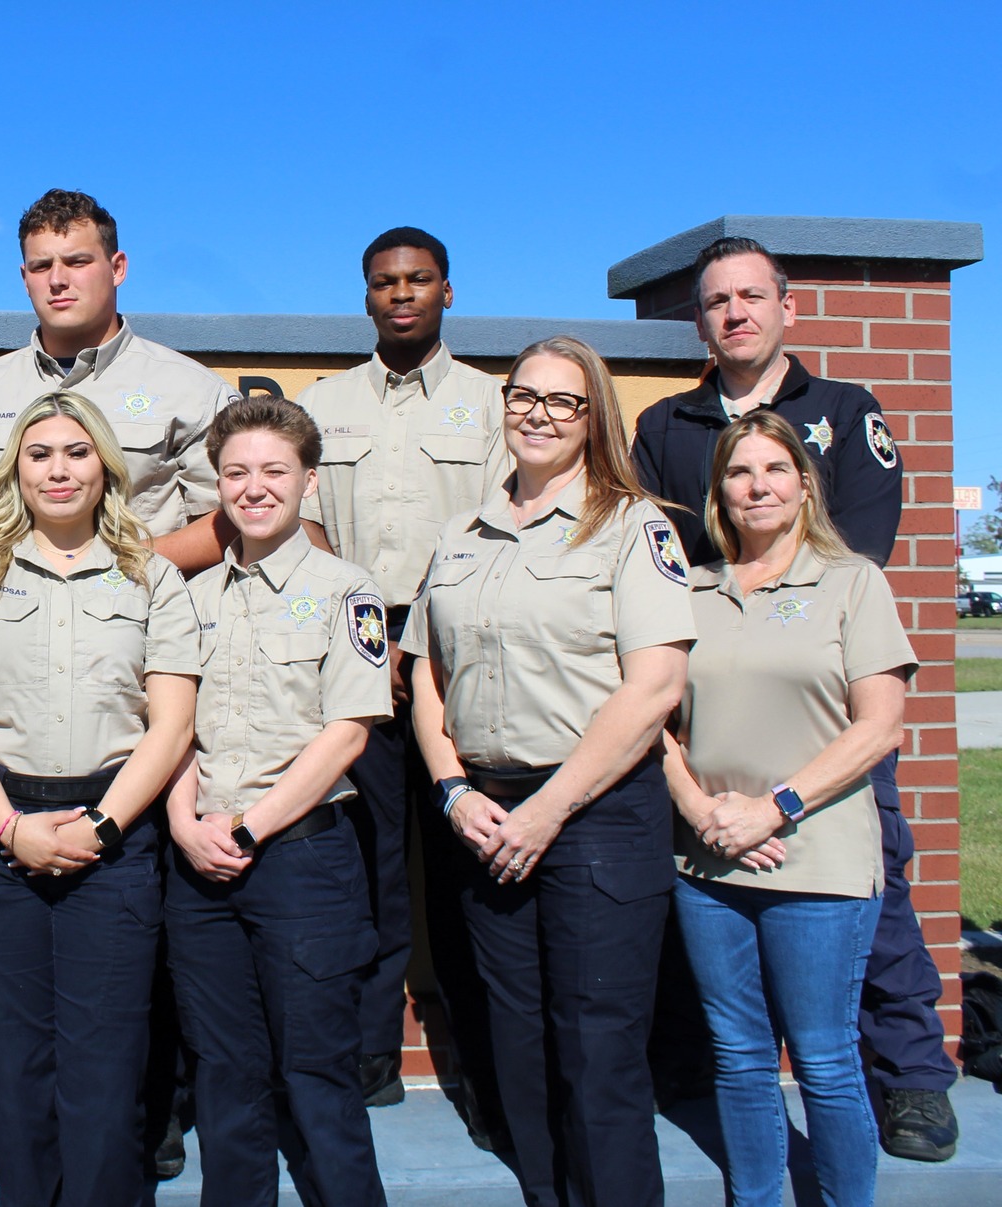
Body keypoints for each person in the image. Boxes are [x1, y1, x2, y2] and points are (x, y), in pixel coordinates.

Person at [631, 236, 957, 1160]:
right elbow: (659, 560)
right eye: (717, 301)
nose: (735, 312)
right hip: (714, 695)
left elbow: (857, 550)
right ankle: (700, 1063)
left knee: (876, 897)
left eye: (751, 296)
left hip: (817, 694)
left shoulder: (845, 413)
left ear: (787, 306)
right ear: (698, 319)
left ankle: (910, 1078)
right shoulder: (668, 427)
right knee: (698, 888)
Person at [401, 335, 695, 1207]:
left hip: (595, 817)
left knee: (596, 1050)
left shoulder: (631, 527)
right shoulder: (463, 533)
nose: (537, 413)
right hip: (486, 816)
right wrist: (453, 790)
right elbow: (426, 675)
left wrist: (548, 811)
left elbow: (655, 687)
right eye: (523, 395)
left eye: (562, 401)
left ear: (592, 417)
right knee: (514, 1044)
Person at [0, 391, 200, 1207]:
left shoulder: (152, 573)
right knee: (16, 1069)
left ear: (106, 467)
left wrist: (103, 826)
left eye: (77, 452)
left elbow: (172, 720)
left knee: (106, 1069)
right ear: (15, 469)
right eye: (39, 453)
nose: (58, 468)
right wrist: (12, 827)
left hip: (110, 836)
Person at [663, 409, 913, 1207]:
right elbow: (654, 723)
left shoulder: (851, 582)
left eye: (774, 468)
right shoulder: (689, 594)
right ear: (719, 493)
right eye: (739, 472)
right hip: (707, 859)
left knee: (825, 1057)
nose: (756, 485)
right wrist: (702, 810)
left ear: (804, 485)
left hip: (817, 862)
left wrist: (776, 807)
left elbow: (880, 725)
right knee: (737, 1055)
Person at [292, 226, 512, 1114]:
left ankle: (491, 1068)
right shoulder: (323, 402)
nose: (401, 294)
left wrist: (418, 646)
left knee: (473, 861)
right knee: (372, 865)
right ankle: (369, 1055)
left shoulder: (494, 404)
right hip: (359, 651)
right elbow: (302, 530)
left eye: (418, 280)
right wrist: (367, 644)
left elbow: (506, 527)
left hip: (461, 654)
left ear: (447, 291)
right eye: (384, 282)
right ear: (366, 294)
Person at [165, 397, 392, 1206]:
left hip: (300, 860)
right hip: (200, 867)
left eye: (273, 470)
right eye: (236, 472)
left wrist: (249, 826)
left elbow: (347, 732)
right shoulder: (188, 597)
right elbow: (173, 728)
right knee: (225, 1074)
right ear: (216, 484)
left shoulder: (344, 589)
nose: (253, 487)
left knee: (318, 1074)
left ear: (308, 481)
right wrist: (184, 824)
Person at [0, 188, 242, 573]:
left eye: (77, 262)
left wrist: (115, 571)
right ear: (25, 278)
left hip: (140, 618)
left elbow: (227, 520)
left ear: (118, 267)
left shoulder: (193, 392)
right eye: (41, 266)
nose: (57, 280)